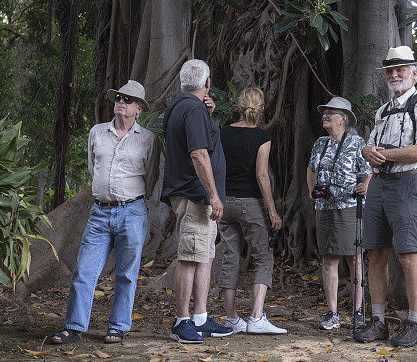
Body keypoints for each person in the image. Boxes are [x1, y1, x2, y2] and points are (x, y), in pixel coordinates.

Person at [50, 80, 159, 345]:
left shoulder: (148, 139)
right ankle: (73, 327)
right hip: (99, 213)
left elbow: (152, 177)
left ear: (139, 109)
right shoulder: (97, 132)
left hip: (132, 213)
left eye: (128, 100)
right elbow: (93, 168)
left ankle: (117, 327)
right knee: (84, 271)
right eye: (119, 97)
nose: (121, 102)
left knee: (126, 274)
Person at [353, 46, 417, 348]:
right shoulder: (383, 110)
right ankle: (378, 321)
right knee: (376, 253)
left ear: (414, 73)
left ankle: (414, 324)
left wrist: (382, 154)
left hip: (409, 183)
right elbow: (371, 147)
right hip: (379, 184)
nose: (395, 74)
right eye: (390, 70)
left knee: (408, 254)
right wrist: (366, 150)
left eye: (401, 69)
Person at [161, 59, 232, 343]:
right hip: (195, 195)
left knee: (204, 255)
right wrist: (213, 195)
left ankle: (200, 318)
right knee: (189, 258)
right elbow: (199, 154)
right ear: (208, 83)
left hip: (196, 196)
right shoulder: (192, 109)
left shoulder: (183, 106)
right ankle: (181, 321)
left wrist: (207, 114)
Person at [217, 88, 287, 334]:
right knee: (264, 257)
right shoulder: (261, 137)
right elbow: (261, 175)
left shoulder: (223, 133)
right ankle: (256, 317)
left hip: (224, 203)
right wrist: (272, 211)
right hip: (250, 204)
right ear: (262, 109)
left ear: (238, 107)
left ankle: (231, 318)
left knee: (230, 257)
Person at [307, 97, 372, 331]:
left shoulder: (356, 142)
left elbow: (367, 171)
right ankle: (332, 313)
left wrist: (364, 185)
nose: (325, 116)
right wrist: (312, 192)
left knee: (354, 258)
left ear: (343, 118)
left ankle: (357, 312)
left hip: (348, 207)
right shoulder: (320, 143)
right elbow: (311, 168)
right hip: (324, 208)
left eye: (331, 113)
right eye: (324, 112)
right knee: (328, 260)